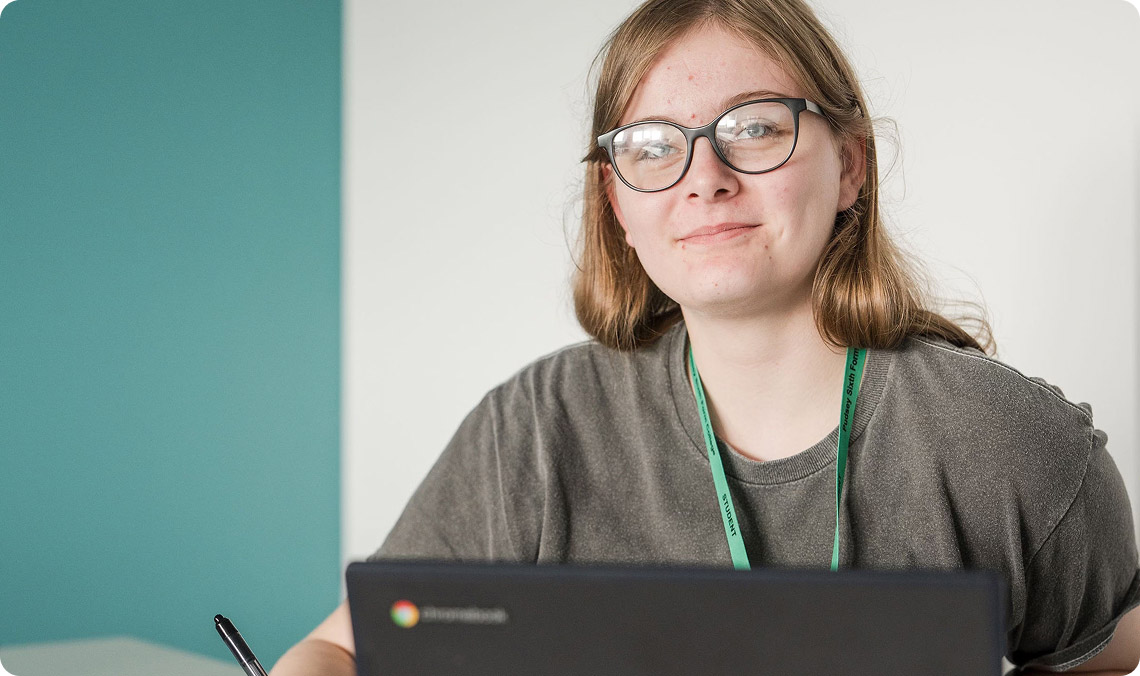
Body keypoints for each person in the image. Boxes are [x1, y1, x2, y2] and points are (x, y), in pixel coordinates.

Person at [270, 0, 1140, 674]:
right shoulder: (536, 430)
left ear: (851, 165)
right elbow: (339, 649)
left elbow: (1107, 656)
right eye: (653, 147)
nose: (705, 179)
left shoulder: (1004, 442)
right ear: (618, 204)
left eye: (756, 127)